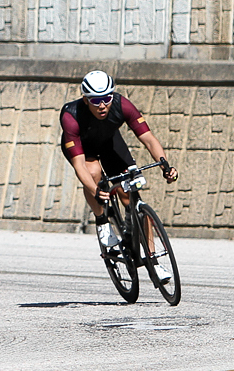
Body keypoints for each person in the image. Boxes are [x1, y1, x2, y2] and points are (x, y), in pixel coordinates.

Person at [58, 69, 178, 281]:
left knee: (131, 196)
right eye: (96, 100)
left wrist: (165, 166)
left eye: (107, 98)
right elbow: (79, 165)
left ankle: (153, 261)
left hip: (110, 144)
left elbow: (148, 139)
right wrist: (95, 190)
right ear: (85, 100)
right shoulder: (71, 116)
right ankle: (102, 221)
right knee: (93, 173)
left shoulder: (122, 104)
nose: (102, 105)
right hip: (83, 150)